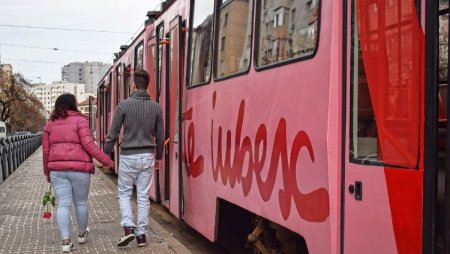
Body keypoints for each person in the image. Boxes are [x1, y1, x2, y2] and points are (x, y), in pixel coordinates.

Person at [42, 93, 113, 252]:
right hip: (80, 170)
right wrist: (106, 161)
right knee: (80, 202)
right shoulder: (81, 121)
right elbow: (89, 145)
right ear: (73, 105)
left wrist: (47, 172)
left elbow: (46, 152)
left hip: (57, 172)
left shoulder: (49, 125)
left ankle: (66, 243)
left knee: (63, 204)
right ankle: (82, 234)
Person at [103, 69, 163, 247]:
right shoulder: (156, 107)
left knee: (124, 193)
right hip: (147, 156)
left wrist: (105, 155)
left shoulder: (124, 105)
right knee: (143, 196)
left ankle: (128, 228)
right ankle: (142, 235)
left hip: (128, 156)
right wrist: (158, 156)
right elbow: (160, 136)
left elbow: (112, 134)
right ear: (148, 85)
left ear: (134, 85)